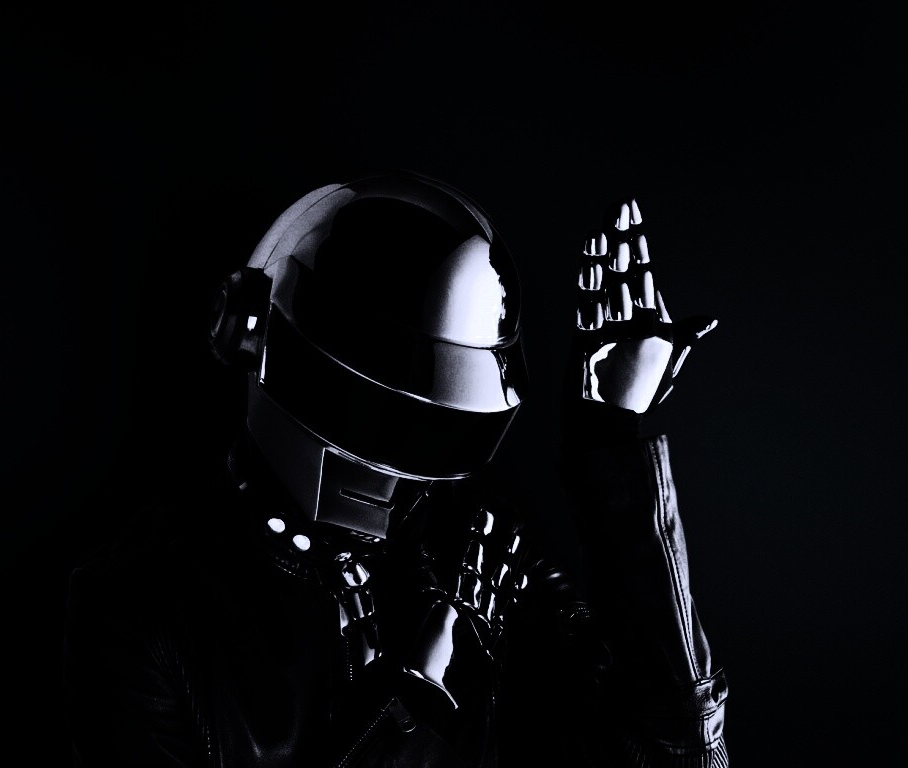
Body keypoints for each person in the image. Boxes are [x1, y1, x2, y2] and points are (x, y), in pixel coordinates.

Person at [63, 170, 728, 767]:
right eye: (368, 410)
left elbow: (680, 756)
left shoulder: (473, 549)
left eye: (427, 424)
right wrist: (416, 702)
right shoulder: (140, 611)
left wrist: (613, 442)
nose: (398, 466)